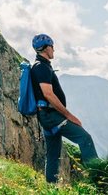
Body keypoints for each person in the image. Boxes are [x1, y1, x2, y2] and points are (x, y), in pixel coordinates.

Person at [29, 33, 99, 183]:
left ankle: (51, 188)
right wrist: (69, 115)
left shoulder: (41, 66)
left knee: (53, 154)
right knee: (84, 138)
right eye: (52, 47)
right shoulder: (41, 67)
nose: (54, 50)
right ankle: (98, 177)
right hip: (52, 116)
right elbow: (48, 94)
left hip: (46, 116)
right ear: (47, 47)